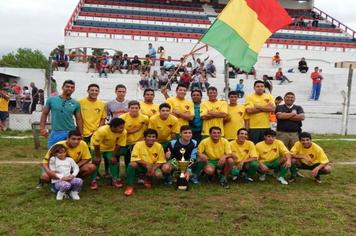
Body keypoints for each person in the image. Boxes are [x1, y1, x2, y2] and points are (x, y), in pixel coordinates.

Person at [124, 129, 169, 196]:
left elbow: (161, 161)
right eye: (149, 136)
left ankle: (147, 179)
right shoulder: (138, 144)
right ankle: (129, 186)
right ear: (144, 138)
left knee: (158, 175)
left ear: (156, 138)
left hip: (153, 166)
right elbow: (135, 158)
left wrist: (153, 168)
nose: (151, 138)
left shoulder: (159, 146)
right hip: (141, 165)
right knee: (132, 164)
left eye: (153, 137)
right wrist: (147, 164)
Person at [40, 80, 82, 148]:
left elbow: (79, 119)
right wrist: (42, 128)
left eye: (72, 87)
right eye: (67, 86)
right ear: (62, 87)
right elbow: (44, 114)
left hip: (70, 132)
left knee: (70, 155)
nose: (70, 88)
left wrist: (80, 133)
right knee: (53, 153)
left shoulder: (76, 103)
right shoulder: (51, 100)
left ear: (74, 90)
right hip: (56, 132)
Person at [90, 118, 127, 190]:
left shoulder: (123, 132)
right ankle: (93, 180)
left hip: (110, 148)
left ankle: (114, 180)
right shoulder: (102, 130)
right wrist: (97, 157)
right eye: (120, 127)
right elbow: (96, 144)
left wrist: (113, 156)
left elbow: (120, 145)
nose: (122, 129)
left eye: (123, 127)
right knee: (96, 162)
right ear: (113, 127)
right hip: (96, 147)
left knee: (114, 161)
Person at [120, 100, 149, 169]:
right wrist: (132, 131)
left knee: (140, 160)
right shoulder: (122, 118)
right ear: (128, 108)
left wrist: (144, 138)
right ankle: (128, 174)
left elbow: (148, 129)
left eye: (136, 108)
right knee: (128, 159)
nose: (134, 110)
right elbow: (118, 131)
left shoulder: (145, 118)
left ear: (139, 108)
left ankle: (140, 174)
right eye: (132, 108)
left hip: (139, 142)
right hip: (126, 142)